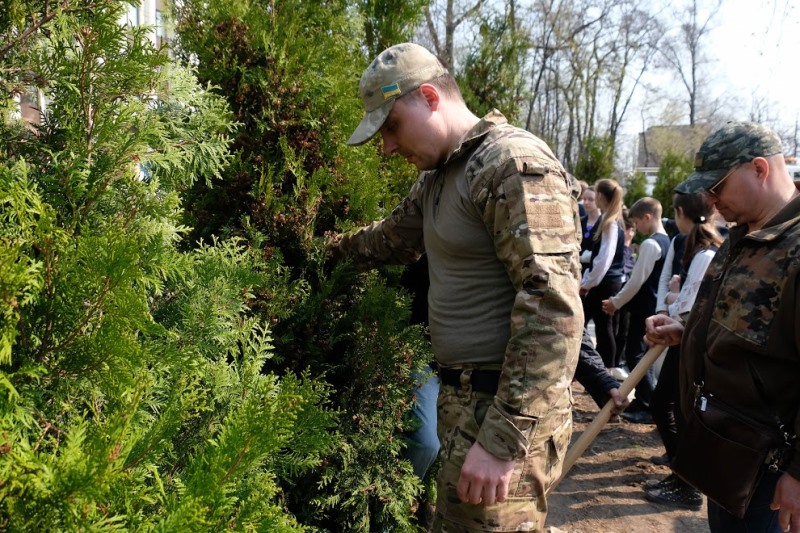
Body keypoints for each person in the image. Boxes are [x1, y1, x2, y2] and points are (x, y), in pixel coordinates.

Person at [329, 43, 584, 532]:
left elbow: (552, 308)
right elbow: (388, 240)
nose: (386, 147)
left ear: (428, 97)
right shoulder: (442, 175)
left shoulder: (510, 163)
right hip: (465, 402)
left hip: (504, 412)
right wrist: (318, 249)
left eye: (391, 127)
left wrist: (500, 440)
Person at [645, 121, 800, 532]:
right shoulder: (742, 233)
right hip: (726, 455)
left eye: (718, 187)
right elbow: (743, 324)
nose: (710, 201)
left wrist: (798, 475)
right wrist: (686, 333)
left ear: (760, 169)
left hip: (772, 473)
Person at [644, 192, 722, 510]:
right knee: (669, 407)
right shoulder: (695, 247)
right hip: (683, 338)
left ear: (680, 212)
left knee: (671, 409)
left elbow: (688, 304)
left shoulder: (705, 254)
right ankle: (681, 475)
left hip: (688, 342)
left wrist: (673, 298)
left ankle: (687, 484)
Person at [601, 197, 669, 423]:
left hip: (644, 309)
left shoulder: (651, 244)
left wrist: (616, 302)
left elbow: (636, 281)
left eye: (637, 222)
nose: (636, 228)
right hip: (654, 307)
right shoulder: (667, 240)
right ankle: (644, 400)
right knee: (640, 355)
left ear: (647, 217)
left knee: (636, 355)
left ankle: (647, 404)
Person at [580, 179, 625, 370]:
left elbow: (604, 259)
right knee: (597, 324)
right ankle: (604, 368)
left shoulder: (610, 222)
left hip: (604, 283)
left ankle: (608, 369)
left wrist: (587, 283)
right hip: (604, 281)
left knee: (602, 327)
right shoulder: (607, 218)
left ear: (600, 196)